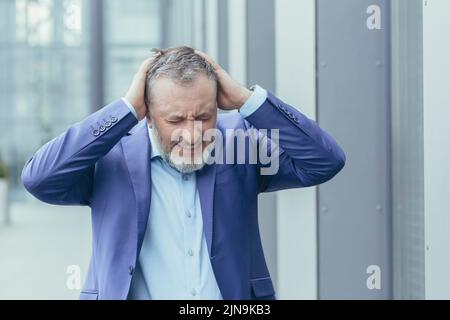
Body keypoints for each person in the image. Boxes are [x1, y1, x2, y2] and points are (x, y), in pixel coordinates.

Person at [21, 46, 346, 300]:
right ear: (147, 115)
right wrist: (124, 109)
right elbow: (39, 178)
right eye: (175, 120)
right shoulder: (111, 155)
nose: (192, 135)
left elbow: (324, 160)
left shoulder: (239, 142)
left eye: (203, 116)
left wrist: (248, 100)